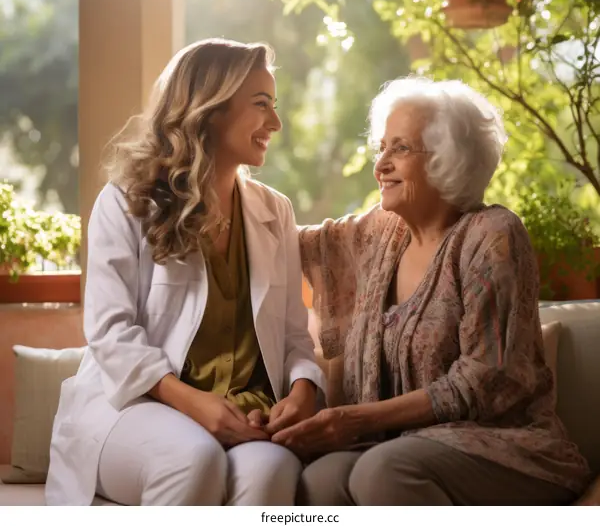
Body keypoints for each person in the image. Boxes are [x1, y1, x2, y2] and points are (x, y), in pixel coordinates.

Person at [270, 77, 591, 506]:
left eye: (400, 149)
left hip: (504, 448)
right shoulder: (381, 233)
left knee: (382, 471)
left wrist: (353, 419)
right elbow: (281, 241)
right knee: (320, 479)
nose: (381, 163)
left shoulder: (492, 235)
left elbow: (482, 380)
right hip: (398, 444)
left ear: (448, 159)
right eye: (380, 147)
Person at [45, 38, 325, 506]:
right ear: (210, 109)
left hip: (244, 414)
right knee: (193, 458)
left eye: (275, 107)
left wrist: (302, 390)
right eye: (261, 105)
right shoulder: (126, 202)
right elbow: (110, 332)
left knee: (272, 470)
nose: (275, 123)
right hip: (133, 407)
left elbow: (295, 335)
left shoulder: (275, 211)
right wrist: (196, 404)